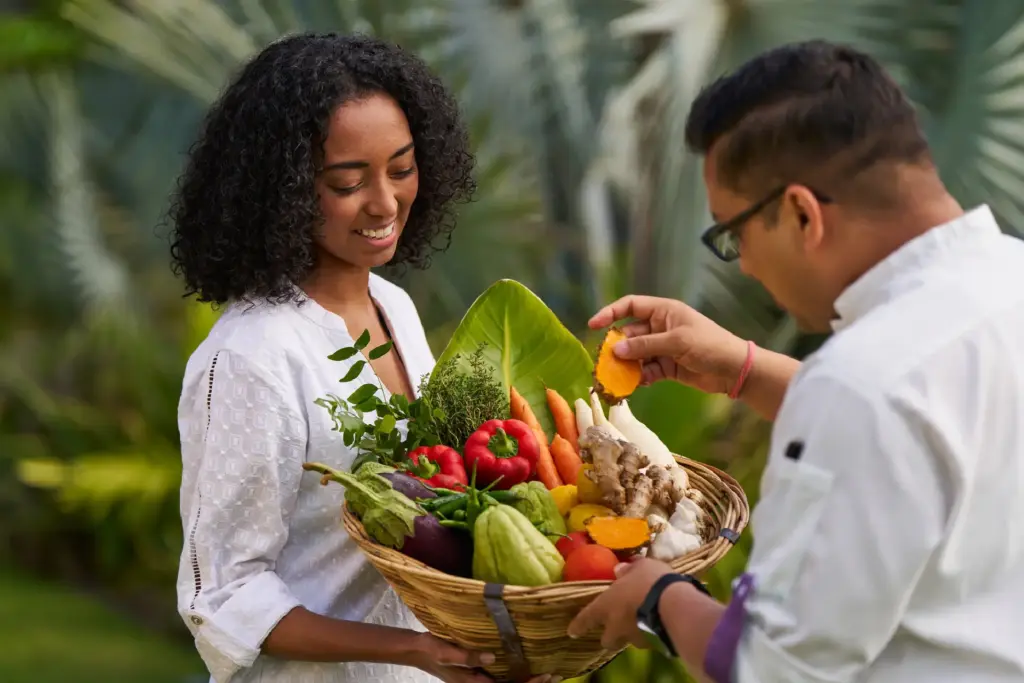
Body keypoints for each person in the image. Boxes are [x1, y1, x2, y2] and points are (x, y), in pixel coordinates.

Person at [568, 39, 1024, 682]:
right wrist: (743, 369)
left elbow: (775, 667)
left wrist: (658, 596)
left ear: (801, 213)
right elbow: (930, 424)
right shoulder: (1009, 281)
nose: (747, 265)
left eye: (734, 234)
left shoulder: (859, 385)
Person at [169, 32, 553, 683]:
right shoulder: (250, 358)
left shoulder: (393, 308)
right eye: (349, 181)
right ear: (282, 190)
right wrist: (406, 647)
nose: (384, 202)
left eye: (401, 169)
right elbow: (223, 597)